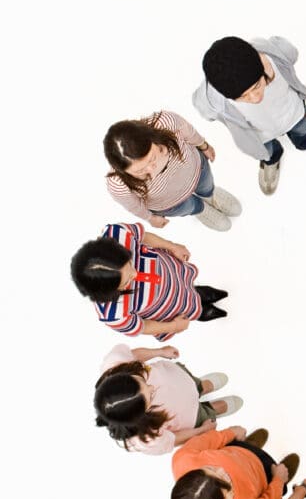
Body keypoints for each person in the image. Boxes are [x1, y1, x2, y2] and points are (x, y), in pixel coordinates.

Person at [194, 35, 306, 197]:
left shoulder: (275, 54)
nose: (255, 98)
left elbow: (292, 53)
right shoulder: (213, 96)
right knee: (267, 152)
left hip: (293, 114)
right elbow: (203, 107)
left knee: (303, 132)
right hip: (259, 135)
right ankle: (271, 160)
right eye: (242, 97)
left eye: (257, 85)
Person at [70, 221, 229, 340]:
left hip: (170, 270)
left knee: (188, 286)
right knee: (189, 308)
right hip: (169, 308)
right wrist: (173, 326)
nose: (134, 274)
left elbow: (143, 236)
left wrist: (171, 246)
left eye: (130, 264)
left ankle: (198, 292)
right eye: (126, 282)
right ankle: (198, 311)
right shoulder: (113, 314)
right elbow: (142, 326)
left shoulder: (117, 234)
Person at [104, 110, 241, 232]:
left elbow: (189, 132)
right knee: (190, 207)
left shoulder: (166, 123)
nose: (152, 169)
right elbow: (134, 206)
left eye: (152, 159)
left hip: (197, 171)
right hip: (171, 204)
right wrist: (150, 218)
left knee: (206, 185)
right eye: (141, 171)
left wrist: (203, 145)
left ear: (153, 139)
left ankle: (210, 195)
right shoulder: (118, 183)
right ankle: (201, 209)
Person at [94, 343, 242, 455]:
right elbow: (173, 439)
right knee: (209, 413)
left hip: (179, 379)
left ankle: (201, 386)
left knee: (195, 384)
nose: (152, 388)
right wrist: (202, 429)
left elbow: (133, 356)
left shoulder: (113, 364)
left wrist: (159, 351)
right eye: (149, 397)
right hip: (192, 416)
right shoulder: (143, 438)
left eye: (142, 381)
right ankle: (212, 409)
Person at [171, 425, 299, 499]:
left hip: (236, 450)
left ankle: (250, 445)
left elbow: (208, 439)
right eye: (225, 481)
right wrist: (278, 480)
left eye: (210, 469)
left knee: (245, 446)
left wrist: (231, 433)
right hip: (266, 474)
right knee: (281, 475)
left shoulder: (183, 459)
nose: (222, 470)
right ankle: (283, 472)